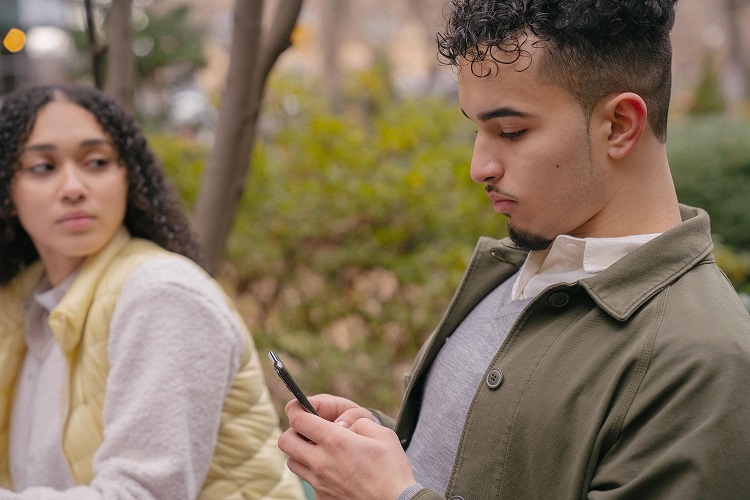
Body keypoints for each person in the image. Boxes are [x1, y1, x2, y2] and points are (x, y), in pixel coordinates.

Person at [277, 1, 750, 498]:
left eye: (511, 132)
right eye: (475, 129)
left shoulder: (704, 361)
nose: (479, 166)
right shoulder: (512, 270)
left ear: (620, 125)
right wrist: (373, 450)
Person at [0, 83, 305, 499]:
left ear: (128, 176)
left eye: (96, 162)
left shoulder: (161, 295)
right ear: (8, 191)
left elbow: (145, 493)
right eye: (42, 167)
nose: (72, 187)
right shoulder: (19, 306)